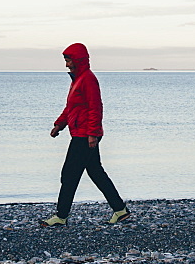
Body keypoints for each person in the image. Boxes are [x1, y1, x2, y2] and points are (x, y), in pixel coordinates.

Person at [40, 42, 130, 226]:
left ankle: (61, 216)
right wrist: (59, 124)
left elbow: (95, 107)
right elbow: (71, 108)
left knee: (69, 175)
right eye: (66, 61)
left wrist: (93, 134)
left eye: (68, 60)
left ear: (78, 60)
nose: (66, 64)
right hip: (81, 133)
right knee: (96, 172)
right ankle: (120, 210)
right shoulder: (77, 80)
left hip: (84, 135)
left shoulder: (88, 79)